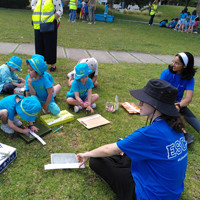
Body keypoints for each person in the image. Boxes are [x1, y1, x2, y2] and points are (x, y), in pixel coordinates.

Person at [77, 79, 188, 200]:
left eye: (144, 101)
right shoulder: (175, 125)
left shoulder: (150, 133)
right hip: (172, 193)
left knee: (95, 160)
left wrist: (87, 154)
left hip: (148, 195)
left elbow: (109, 149)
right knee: (126, 152)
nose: (139, 103)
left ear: (156, 105)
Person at [160, 52, 200, 143]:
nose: (173, 64)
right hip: (164, 100)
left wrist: (179, 105)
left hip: (177, 103)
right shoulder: (166, 73)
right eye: (173, 61)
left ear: (185, 66)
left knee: (188, 114)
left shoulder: (189, 78)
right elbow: (161, 92)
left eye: (177, 63)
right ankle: (183, 134)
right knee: (172, 114)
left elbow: (188, 98)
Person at [31, 0, 63, 72]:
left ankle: (52, 64)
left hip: (49, 25)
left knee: (50, 45)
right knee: (39, 45)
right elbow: (32, 4)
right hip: (37, 25)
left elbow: (60, 10)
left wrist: (52, 20)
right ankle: (39, 64)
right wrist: (34, 9)